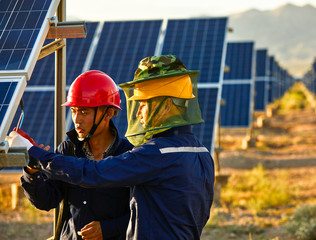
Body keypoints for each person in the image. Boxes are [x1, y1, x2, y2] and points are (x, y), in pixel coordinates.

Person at [26, 55, 215, 239]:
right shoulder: (203, 154)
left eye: (143, 103)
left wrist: (38, 155)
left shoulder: (155, 154)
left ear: (166, 106)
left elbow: (95, 173)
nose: (139, 112)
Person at [20, 70, 134, 240]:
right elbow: (46, 201)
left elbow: (143, 215)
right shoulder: (67, 150)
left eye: (84, 112)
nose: (76, 119)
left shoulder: (128, 156)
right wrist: (32, 170)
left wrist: (108, 229)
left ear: (108, 113)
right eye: (74, 111)